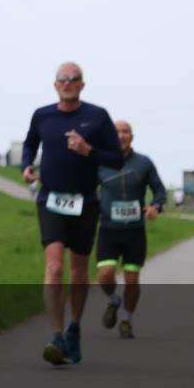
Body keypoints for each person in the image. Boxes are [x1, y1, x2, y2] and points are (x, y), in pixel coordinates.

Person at [22, 62, 123, 365]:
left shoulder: (97, 116)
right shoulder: (43, 115)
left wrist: (88, 150)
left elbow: (116, 159)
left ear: (82, 84)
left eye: (73, 79)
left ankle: (74, 328)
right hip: (50, 200)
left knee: (79, 271)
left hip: (85, 203)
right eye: (62, 79)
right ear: (55, 85)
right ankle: (56, 335)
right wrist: (26, 165)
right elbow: (30, 144)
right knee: (54, 268)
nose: (67, 83)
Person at [96, 120, 165, 339]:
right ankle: (112, 300)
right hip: (108, 228)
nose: (121, 136)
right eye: (116, 132)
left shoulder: (144, 163)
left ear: (132, 136)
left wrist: (156, 206)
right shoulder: (100, 163)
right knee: (105, 274)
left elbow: (160, 191)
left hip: (135, 230)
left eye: (125, 132)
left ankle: (126, 319)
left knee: (132, 278)